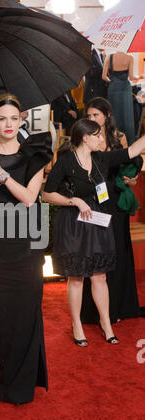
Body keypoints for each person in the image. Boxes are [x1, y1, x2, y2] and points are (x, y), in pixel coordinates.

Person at [0, 93, 51, 405]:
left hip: (26, 247)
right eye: (2, 119)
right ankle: (6, 375)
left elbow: (30, 198)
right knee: (2, 314)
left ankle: (23, 384)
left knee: (26, 311)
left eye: (13, 119)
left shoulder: (34, 155)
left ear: (21, 122)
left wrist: (2, 175)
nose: (8, 124)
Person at [43, 118, 145, 347]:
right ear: (86, 138)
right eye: (97, 135)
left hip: (97, 223)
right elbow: (47, 194)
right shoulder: (66, 161)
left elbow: (132, 151)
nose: (102, 139)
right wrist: (74, 200)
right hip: (74, 225)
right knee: (77, 277)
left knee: (100, 276)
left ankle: (106, 323)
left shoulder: (102, 159)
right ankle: (77, 324)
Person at [81, 97, 144, 324]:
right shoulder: (87, 139)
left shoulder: (119, 138)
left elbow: (130, 165)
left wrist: (133, 179)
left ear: (107, 115)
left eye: (95, 115)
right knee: (98, 254)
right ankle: (96, 311)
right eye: (88, 116)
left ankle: (118, 306)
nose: (92, 119)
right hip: (95, 202)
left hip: (116, 201)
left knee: (118, 250)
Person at [102, 51, 137, 145]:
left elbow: (104, 77)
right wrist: (140, 76)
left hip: (113, 88)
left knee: (114, 115)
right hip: (125, 89)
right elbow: (131, 77)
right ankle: (128, 144)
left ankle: (113, 142)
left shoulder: (109, 57)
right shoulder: (130, 58)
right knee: (127, 116)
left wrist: (113, 82)